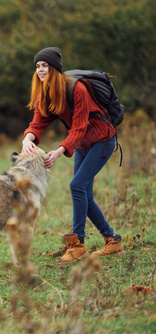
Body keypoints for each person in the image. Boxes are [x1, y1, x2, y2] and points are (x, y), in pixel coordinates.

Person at [21, 47, 125, 263]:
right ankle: (112, 240)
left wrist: (60, 150)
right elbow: (38, 122)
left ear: (55, 68)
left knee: (77, 186)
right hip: (83, 144)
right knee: (83, 193)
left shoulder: (77, 89)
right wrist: (27, 139)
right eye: (37, 66)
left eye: (45, 65)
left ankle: (78, 243)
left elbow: (79, 127)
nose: (40, 70)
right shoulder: (45, 92)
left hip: (102, 139)